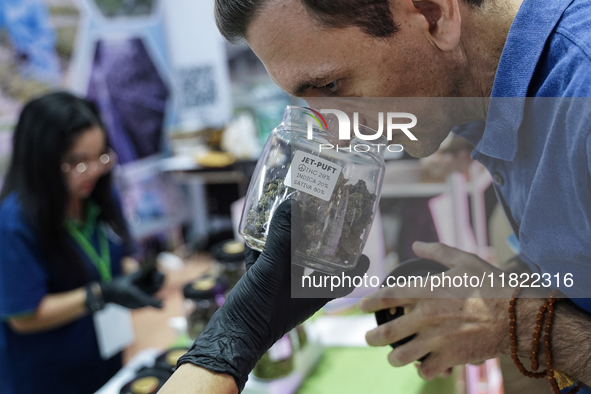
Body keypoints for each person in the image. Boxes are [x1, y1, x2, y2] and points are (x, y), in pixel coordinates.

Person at [159, 0, 591, 393]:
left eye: (330, 85)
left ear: (434, 14)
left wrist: (519, 322)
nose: (332, 131)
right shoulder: (474, 91)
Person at [0, 92, 165, 394]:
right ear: (42, 161)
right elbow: (24, 315)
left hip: (106, 359)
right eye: (76, 162)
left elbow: (115, 257)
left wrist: (135, 276)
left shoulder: (99, 195)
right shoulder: (14, 224)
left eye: (100, 156)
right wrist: (100, 294)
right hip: (46, 377)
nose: (92, 171)